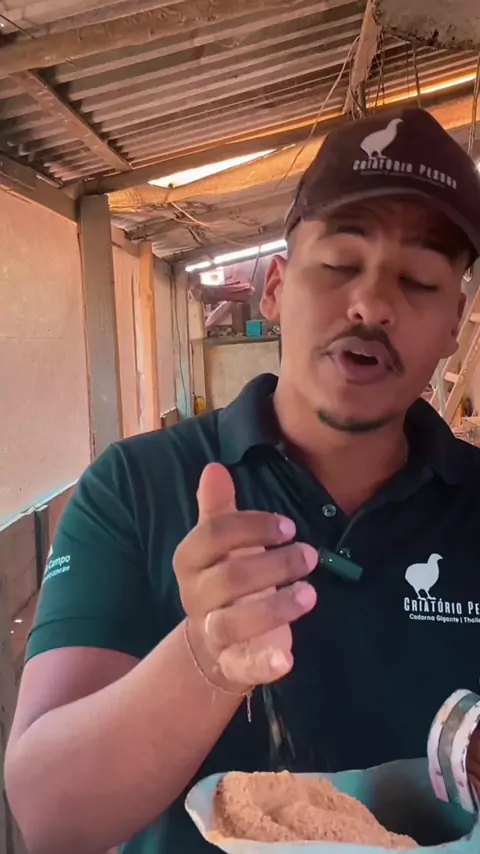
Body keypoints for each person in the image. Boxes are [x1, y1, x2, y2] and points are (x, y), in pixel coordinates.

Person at [6, 106, 480, 854]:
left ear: (456, 322)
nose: (372, 305)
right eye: (339, 264)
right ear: (275, 288)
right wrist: (203, 659)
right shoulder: (135, 487)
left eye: (419, 281)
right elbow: (50, 818)